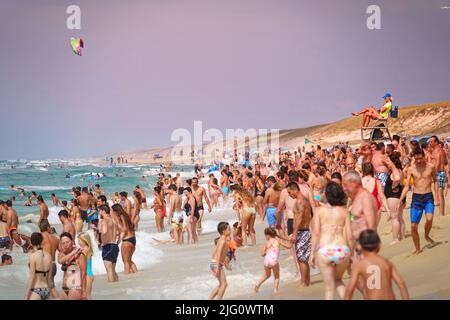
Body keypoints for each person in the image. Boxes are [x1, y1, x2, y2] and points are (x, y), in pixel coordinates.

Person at [310, 182, 353, 300]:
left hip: (325, 250)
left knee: (329, 288)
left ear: (327, 195)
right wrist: (352, 254)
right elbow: (349, 236)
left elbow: (316, 233)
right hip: (342, 249)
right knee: (338, 280)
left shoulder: (319, 211)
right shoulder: (345, 212)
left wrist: (312, 253)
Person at [344, 230, 409, 300]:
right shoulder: (386, 263)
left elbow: (350, 289)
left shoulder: (360, 266)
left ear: (359, 247)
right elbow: (401, 283)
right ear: (379, 245)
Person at [398, 147, 436, 255]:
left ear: (424, 157)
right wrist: (401, 199)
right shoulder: (411, 169)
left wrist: (437, 195)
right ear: (414, 158)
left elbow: (436, 180)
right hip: (416, 199)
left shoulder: (431, 167)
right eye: (416, 159)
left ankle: (426, 235)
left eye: (420, 158)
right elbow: (406, 187)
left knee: (429, 219)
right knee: (413, 226)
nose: (418, 161)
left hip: (428, 197)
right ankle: (418, 249)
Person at [286, 182, 313, 287]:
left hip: (301, 232)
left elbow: (299, 218)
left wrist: (294, 234)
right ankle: (307, 282)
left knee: (301, 259)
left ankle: (303, 282)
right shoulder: (306, 200)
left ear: (295, 190)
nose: (289, 194)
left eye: (289, 192)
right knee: (304, 259)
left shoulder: (299, 202)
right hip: (306, 231)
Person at [254, 228, 292, 293]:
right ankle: (275, 290)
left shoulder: (267, 243)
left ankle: (257, 285)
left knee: (267, 275)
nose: (265, 237)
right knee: (277, 276)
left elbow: (262, 254)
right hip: (273, 261)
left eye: (265, 235)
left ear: (268, 235)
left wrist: (266, 251)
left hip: (266, 261)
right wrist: (292, 243)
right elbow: (289, 247)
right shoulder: (278, 241)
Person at [58, 232, 87, 300]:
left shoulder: (80, 255)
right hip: (64, 289)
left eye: (67, 242)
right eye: (63, 243)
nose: (65, 245)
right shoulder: (61, 254)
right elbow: (60, 261)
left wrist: (84, 292)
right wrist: (73, 253)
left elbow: (83, 274)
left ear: (72, 241)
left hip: (75, 288)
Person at [384, 153, 406, 245]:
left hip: (393, 197)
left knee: (395, 218)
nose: (387, 163)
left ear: (393, 162)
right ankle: (402, 236)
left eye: (388, 161)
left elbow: (397, 179)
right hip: (399, 197)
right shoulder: (399, 170)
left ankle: (395, 238)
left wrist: (393, 186)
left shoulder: (396, 171)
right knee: (400, 217)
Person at [24, 233, 52, 300]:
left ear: (31, 242)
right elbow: (49, 278)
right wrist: (49, 293)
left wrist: (26, 296)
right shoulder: (49, 256)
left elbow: (32, 277)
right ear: (42, 241)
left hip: (36, 289)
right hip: (46, 289)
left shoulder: (33, 256)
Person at [112, 204, 138, 274]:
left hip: (127, 240)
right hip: (132, 239)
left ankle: (127, 276)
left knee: (126, 261)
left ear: (116, 211)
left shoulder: (121, 216)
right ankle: (136, 274)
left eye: (112, 211)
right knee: (129, 260)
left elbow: (124, 229)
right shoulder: (125, 215)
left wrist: (118, 241)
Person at [209, 222, 231, 300]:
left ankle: (210, 298)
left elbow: (220, 254)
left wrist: (225, 264)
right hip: (216, 264)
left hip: (216, 263)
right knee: (224, 284)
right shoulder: (222, 241)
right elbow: (218, 254)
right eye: (229, 229)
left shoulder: (222, 240)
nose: (230, 230)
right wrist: (217, 267)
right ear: (223, 231)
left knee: (222, 284)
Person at [39, 220, 59, 298]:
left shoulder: (39, 237)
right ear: (47, 227)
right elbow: (62, 251)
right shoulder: (55, 238)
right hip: (53, 264)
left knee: (49, 288)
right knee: (50, 287)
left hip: (44, 265)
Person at [99, 205, 119, 282]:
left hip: (108, 246)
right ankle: (116, 287)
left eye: (100, 211)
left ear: (103, 210)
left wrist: (103, 242)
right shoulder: (113, 220)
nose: (99, 212)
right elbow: (119, 232)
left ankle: (112, 289)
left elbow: (104, 232)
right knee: (113, 270)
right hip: (115, 245)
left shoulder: (104, 220)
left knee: (109, 271)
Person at [429, 136, 447, 216]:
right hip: (441, 172)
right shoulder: (440, 150)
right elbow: (445, 161)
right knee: (439, 193)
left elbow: (438, 163)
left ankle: (441, 213)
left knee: (440, 193)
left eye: (431, 141)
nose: (430, 143)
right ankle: (441, 213)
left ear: (436, 142)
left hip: (439, 173)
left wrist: (434, 174)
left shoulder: (437, 151)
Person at [78, 232, 94, 300]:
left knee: (87, 296)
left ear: (84, 240)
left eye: (79, 241)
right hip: (89, 274)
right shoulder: (88, 249)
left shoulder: (85, 250)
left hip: (87, 275)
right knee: (87, 296)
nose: (78, 243)